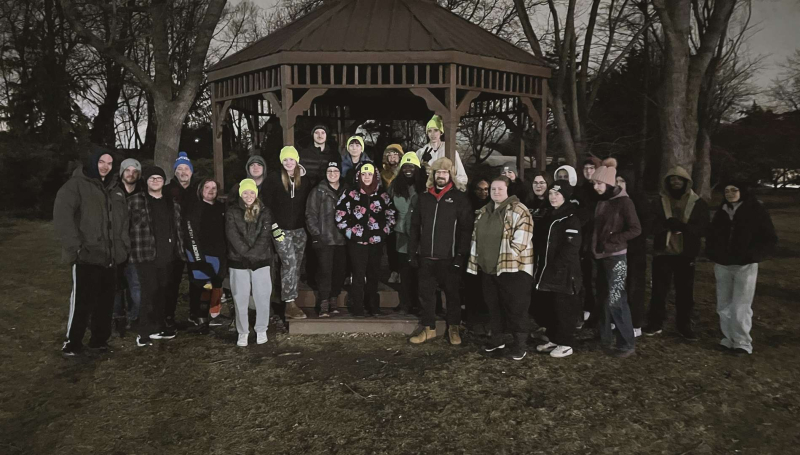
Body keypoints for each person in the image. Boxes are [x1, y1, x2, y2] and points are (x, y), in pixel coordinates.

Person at [54, 146, 130, 356]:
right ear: (92, 163)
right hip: (86, 256)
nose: (105, 167)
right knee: (82, 301)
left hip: (111, 256)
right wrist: (75, 247)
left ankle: (99, 340)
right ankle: (73, 342)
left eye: (109, 163)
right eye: (101, 162)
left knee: (105, 303)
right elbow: (63, 218)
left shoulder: (115, 189)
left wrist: (123, 246)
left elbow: (123, 221)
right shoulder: (75, 186)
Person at [407, 158, 473, 345]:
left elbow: (465, 229)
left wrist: (461, 255)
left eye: (444, 172)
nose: (441, 176)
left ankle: (453, 327)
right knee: (426, 295)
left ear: (450, 175)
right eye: (438, 172)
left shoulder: (460, 199)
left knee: (452, 294)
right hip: (426, 256)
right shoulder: (424, 198)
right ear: (433, 175)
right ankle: (429, 329)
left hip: (449, 257)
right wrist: (413, 252)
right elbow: (415, 227)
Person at [707, 181, 777, 355]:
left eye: (734, 190)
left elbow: (769, 237)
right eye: (727, 190)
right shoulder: (722, 211)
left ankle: (742, 342)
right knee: (723, 304)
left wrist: (753, 256)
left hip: (744, 265)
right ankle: (727, 338)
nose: (730, 193)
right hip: (723, 264)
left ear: (743, 191)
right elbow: (712, 234)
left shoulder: (755, 210)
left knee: (741, 305)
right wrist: (713, 253)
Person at [468, 176, 534, 361]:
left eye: (500, 189)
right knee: (493, 307)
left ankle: (520, 344)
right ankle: (497, 340)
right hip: (489, 270)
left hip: (513, 271)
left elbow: (521, 240)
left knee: (516, 308)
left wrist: (506, 257)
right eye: (493, 189)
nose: (496, 192)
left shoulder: (519, 210)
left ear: (508, 190)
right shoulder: (484, 211)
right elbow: (476, 237)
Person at [645, 166, 709, 339]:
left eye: (679, 180)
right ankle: (655, 322)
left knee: (685, 293)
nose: (675, 182)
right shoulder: (659, 202)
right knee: (658, 291)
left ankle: (684, 325)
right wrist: (666, 225)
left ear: (686, 182)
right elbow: (650, 224)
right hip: (663, 253)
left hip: (685, 254)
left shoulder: (698, 203)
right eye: (672, 180)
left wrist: (685, 228)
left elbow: (703, 227)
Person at [128, 166, 185, 347]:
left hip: (167, 254)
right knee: (148, 292)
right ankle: (144, 332)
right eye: (151, 178)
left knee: (162, 292)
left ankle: (158, 327)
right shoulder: (135, 201)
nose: (155, 181)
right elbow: (126, 227)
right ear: (146, 181)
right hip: (145, 254)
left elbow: (176, 228)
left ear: (164, 181)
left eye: (158, 178)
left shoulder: (171, 202)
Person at [590, 163, 641, 358]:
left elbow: (636, 229)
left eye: (599, 183)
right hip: (601, 256)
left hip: (617, 257)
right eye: (595, 183)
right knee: (603, 298)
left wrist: (614, 239)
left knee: (617, 300)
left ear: (609, 183)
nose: (596, 186)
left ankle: (626, 342)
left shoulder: (624, 202)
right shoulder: (603, 200)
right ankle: (603, 337)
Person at [335, 163, 397, 316]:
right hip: (357, 243)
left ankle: (373, 306)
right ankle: (357, 307)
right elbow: (340, 215)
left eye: (370, 174)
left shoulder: (383, 195)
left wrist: (383, 233)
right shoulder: (350, 194)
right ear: (359, 176)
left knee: (373, 275)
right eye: (364, 174)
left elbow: (391, 215)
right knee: (357, 274)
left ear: (375, 176)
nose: (367, 177)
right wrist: (351, 233)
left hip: (376, 243)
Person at [533, 180, 582, 358]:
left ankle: (566, 343)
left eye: (557, 194)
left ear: (566, 196)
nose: (553, 197)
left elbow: (571, 248)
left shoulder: (571, 218)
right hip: (547, 270)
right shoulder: (550, 215)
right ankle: (554, 338)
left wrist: (557, 267)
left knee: (563, 308)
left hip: (564, 273)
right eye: (551, 193)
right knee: (550, 307)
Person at [226, 179, 275, 347]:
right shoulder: (232, 212)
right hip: (238, 261)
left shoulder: (265, 211)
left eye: (252, 192)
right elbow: (232, 235)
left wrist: (254, 254)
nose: (248, 196)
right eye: (245, 192)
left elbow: (265, 235)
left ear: (256, 194)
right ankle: (243, 332)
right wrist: (246, 254)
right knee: (240, 298)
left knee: (262, 296)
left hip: (261, 260)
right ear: (241, 194)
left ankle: (261, 328)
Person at [264, 146, 311, 320]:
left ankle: (289, 298)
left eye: (291, 159)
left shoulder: (305, 181)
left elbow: (308, 204)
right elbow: (266, 205)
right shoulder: (274, 179)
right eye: (285, 160)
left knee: (295, 266)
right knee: (289, 262)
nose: (289, 163)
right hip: (280, 229)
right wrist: (274, 227)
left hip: (299, 230)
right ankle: (290, 303)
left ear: (297, 160)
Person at [183, 178, 227, 331]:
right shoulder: (195, 208)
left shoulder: (222, 208)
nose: (211, 190)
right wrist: (198, 258)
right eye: (207, 187)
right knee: (204, 287)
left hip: (219, 255)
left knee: (217, 285)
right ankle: (199, 316)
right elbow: (190, 234)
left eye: (214, 187)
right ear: (201, 189)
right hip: (202, 254)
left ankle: (215, 315)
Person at [305, 160, 347, 317]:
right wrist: (316, 234)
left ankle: (334, 299)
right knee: (324, 271)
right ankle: (323, 302)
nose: (332, 174)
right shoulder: (318, 191)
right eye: (329, 171)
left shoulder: (346, 190)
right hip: (325, 239)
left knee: (339, 271)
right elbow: (310, 214)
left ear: (340, 173)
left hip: (342, 239)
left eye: (335, 171)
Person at [388, 152, 426, 314]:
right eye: (405, 166)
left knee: (419, 271)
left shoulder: (424, 186)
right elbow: (387, 207)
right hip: (401, 234)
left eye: (411, 166)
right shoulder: (394, 186)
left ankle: (420, 303)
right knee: (405, 271)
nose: (408, 170)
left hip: (420, 234)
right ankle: (405, 303)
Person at [616, 169, 651, 337]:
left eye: (622, 180)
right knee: (618, 286)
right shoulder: (612, 200)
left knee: (634, 286)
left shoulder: (638, 200)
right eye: (615, 180)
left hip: (634, 251)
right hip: (616, 250)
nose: (618, 184)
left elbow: (642, 227)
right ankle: (619, 319)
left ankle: (635, 323)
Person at [164, 151, 197, 329]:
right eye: (180, 169)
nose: (183, 172)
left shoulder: (196, 191)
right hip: (174, 244)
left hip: (193, 243)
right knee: (172, 282)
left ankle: (195, 313)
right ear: (175, 172)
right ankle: (168, 315)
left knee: (196, 280)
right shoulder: (168, 191)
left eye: (186, 169)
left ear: (191, 172)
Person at [113, 158, 143, 336]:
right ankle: (118, 319)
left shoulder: (142, 193)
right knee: (116, 287)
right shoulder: (113, 192)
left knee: (135, 286)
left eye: (134, 171)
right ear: (122, 172)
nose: (131, 174)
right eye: (127, 170)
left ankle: (134, 317)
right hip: (116, 246)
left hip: (135, 248)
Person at [416, 115, 467, 189]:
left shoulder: (450, 151)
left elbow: (462, 176)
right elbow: (416, 176)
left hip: (447, 190)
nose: (433, 134)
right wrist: (423, 164)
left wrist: (454, 188)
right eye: (430, 131)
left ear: (441, 132)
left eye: (436, 130)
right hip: (427, 190)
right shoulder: (421, 152)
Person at [381, 144, 404, 283]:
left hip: (402, 212)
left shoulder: (405, 171)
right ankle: (393, 270)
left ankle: (402, 271)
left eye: (395, 154)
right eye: (389, 154)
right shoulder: (383, 174)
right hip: (388, 213)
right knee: (391, 244)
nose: (392, 157)